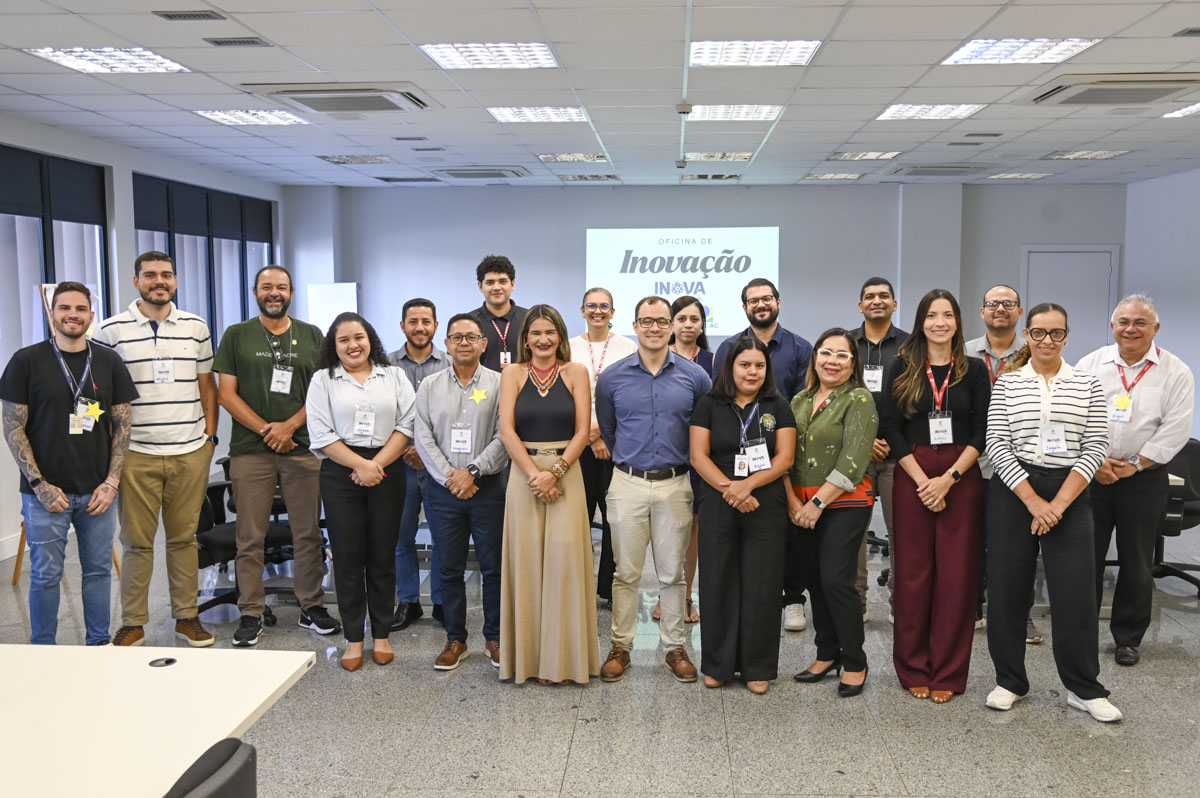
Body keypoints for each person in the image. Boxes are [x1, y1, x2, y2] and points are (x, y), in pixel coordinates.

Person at [984, 303, 1123, 722]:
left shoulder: (1087, 384)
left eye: (1056, 333)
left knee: (1076, 593)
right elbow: (997, 443)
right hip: (1015, 490)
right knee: (1007, 589)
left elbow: (1096, 445)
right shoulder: (1008, 383)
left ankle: (1083, 688)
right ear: (1027, 335)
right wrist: (1033, 502)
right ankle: (1010, 681)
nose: (1047, 340)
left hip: (1071, 489)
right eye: (1039, 332)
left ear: (1067, 336)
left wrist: (1058, 505)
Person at [92, 252, 219, 648]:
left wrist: (210, 439)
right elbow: (99, 394)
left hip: (190, 451)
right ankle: (133, 622)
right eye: (150, 275)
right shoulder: (110, 331)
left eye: (166, 275)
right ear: (137, 282)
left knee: (184, 540)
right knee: (136, 543)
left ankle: (187, 617)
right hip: (135, 455)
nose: (159, 281)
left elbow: (207, 386)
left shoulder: (196, 327)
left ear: (176, 281)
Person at [1, 281, 136, 645]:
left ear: (91, 315)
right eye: (64, 308)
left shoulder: (109, 361)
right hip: (45, 494)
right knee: (46, 575)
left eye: (80, 309)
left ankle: (98, 643)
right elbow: (13, 428)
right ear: (52, 313)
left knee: (98, 572)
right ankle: (44, 648)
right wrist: (40, 485)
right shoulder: (26, 361)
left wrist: (112, 482)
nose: (72, 315)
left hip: (98, 492)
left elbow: (123, 426)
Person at [213, 265, 340, 646]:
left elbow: (322, 391)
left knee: (308, 533)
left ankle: (311, 606)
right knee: (250, 536)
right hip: (251, 451)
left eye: (281, 287)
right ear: (255, 292)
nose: (274, 292)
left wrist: (290, 427)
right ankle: (251, 611)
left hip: (303, 449)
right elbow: (226, 394)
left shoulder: (312, 334)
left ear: (291, 293)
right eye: (266, 286)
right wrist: (268, 430)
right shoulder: (236, 335)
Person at [880, 288, 989, 704]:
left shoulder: (973, 370)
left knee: (957, 577)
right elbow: (891, 427)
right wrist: (924, 480)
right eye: (931, 315)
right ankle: (913, 667)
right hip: (912, 471)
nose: (939, 322)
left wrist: (949, 479)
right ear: (921, 322)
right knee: (913, 575)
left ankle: (947, 670)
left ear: (957, 322)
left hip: (961, 475)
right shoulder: (902, 366)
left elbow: (981, 432)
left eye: (947, 315)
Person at [596, 296, 712, 683]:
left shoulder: (695, 377)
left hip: (676, 484)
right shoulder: (612, 378)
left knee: (672, 574)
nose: (654, 328)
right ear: (635, 325)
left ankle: (674, 647)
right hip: (626, 482)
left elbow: (702, 430)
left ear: (672, 326)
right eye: (646, 321)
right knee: (625, 573)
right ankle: (621, 647)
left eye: (662, 321)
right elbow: (609, 429)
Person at [1076, 293, 1194, 667]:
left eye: (1140, 322)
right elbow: (1073, 416)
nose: (1131, 328)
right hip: (1092, 475)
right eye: (1124, 322)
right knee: (1085, 558)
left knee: (1137, 561)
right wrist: (1096, 461)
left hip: (1144, 478)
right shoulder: (1090, 364)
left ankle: (1128, 639)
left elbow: (1177, 428)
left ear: (1155, 328)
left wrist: (1135, 463)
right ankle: (1080, 634)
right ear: (1112, 326)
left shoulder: (1176, 371)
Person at [307, 313, 415, 671]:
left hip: (387, 467)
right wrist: (359, 465)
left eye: (359, 337)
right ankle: (354, 638)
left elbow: (408, 423)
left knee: (383, 555)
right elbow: (320, 432)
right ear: (333, 346)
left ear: (371, 340)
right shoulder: (323, 379)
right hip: (340, 471)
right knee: (348, 557)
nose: (353, 345)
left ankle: (381, 635)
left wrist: (375, 465)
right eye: (344, 340)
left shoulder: (393, 375)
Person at [498, 304, 598, 684]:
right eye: (536, 333)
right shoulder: (512, 373)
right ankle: (529, 662)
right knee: (526, 565)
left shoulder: (576, 372)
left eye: (550, 332)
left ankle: (566, 663)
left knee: (564, 564)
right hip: (524, 476)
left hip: (566, 474)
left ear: (561, 336)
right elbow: (507, 431)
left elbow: (582, 431)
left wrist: (554, 473)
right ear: (526, 339)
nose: (543, 339)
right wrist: (534, 476)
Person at [690, 337, 795, 694]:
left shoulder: (778, 405)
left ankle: (757, 667)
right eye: (745, 365)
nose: (752, 372)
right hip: (719, 498)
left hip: (765, 501)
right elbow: (699, 456)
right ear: (730, 368)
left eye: (759, 366)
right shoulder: (709, 404)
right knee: (717, 580)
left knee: (763, 584)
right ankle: (717, 664)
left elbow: (784, 458)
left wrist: (747, 486)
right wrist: (731, 490)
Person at [714, 278, 814, 634]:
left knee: (789, 531)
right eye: (753, 300)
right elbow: (720, 398)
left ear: (778, 302)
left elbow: (803, 402)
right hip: (736, 456)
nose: (760, 304)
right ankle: (746, 598)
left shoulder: (800, 348)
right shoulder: (728, 348)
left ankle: (793, 599)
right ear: (744, 307)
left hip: (784, 449)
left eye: (766, 298)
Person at [416, 314, 510, 670]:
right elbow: (422, 436)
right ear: (446, 344)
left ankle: (494, 637)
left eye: (471, 337)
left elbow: (505, 435)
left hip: (488, 488)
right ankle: (455, 638)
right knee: (448, 568)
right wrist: (450, 478)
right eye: (457, 337)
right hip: (443, 491)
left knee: (493, 567)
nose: (464, 343)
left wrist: (471, 472)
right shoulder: (429, 386)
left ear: (484, 343)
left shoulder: (502, 383)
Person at [790, 328, 878, 698]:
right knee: (814, 581)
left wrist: (817, 504)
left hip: (844, 503)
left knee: (836, 581)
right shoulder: (799, 400)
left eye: (842, 355)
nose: (833, 361)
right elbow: (785, 456)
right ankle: (826, 653)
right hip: (801, 506)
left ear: (853, 364)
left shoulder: (859, 398)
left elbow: (854, 459)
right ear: (815, 358)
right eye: (826, 353)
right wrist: (795, 503)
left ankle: (855, 660)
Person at [966, 284, 1041, 643]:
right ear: (982, 311)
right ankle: (972, 609)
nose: (1000, 309)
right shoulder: (963, 353)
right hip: (972, 463)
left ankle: (1019, 616)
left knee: (1017, 548)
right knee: (971, 542)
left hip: (1018, 466)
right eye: (993, 304)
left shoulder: (1035, 352)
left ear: (1019, 312)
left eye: (1008, 304)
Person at [568, 288, 637, 607]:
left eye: (604, 306)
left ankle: (609, 588)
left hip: (616, 445)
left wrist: (604, 437)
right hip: (576, 446)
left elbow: (632, 398)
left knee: (614, 520)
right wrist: (590, 437)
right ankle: (577, 587)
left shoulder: (627, 347)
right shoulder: (568, 347)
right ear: (582, 310)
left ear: (613, 312)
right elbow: (563, 395)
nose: (598, 311)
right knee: (577, 519)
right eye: (591, 306)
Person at [849, 277, 908, 622]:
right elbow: (837, 395)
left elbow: (914, 398)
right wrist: (865, 440)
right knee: (854, 532)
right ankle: (856, 604)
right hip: (855, 453)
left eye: (884, 296)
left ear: (894, 304)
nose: (877, 301)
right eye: (869, 296)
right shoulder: (846, 343)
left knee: (901, 531)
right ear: (860, 305)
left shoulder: (910, 345)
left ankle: (900, 601)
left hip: (897, 454)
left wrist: (890, 440)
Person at [387, 298, 445, 631]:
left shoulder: (450, 364)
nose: (420, 328)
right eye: (413, 321)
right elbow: (381, 413)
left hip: (439, 466)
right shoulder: (385, 366)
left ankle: (442, 601)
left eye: (426, 321)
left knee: (443, 537)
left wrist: (426, 451)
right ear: (402, 326)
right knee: (400, 537)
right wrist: (407, 448)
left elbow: (456, 417)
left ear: (435, 325)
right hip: (399, 465)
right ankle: (408, 601)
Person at [471, 255, 528, 372]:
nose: (496, 287)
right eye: (490, 282)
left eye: (503, 281)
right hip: (481, 384)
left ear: (512, 284)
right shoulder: (470, 322)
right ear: (480, 286)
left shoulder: (529, 319)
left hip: (523, 383)